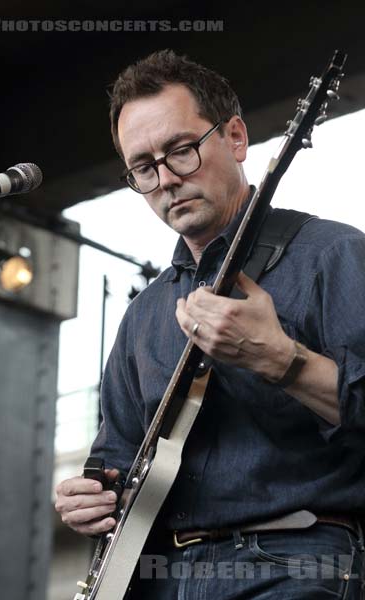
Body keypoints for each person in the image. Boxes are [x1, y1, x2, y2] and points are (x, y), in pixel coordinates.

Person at [55, 50, 365, 598]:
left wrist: (281, 360)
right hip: (163, 578)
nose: (167, 180)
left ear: (237, 138)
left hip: (295, 564)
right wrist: (91, 496)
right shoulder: (144, 316)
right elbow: (116, 461)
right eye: (143, 167)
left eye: (181, 151)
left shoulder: (333, 255)